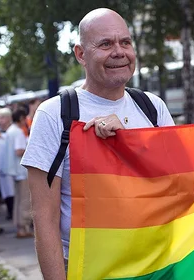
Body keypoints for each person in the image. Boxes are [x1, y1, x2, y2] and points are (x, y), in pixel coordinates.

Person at [21, 8, 175, 279]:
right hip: (86, 268)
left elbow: (181, 188)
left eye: (125, 42)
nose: (119, 52)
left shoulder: (153, 107)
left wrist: (129, 141)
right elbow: (44, 220)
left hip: (153, 265)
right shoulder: (54, 114)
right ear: (81, 54)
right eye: (105, 44)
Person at [5, 109, 32, 238]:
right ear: (21, 118)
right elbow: (19, 151)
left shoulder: (10, 130)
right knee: (24, 200)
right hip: (21, 170)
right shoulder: (18, 132)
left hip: (14, 170)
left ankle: (19, 226)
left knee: (18, 200)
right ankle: (23, 227)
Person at [0, 108, 15, 220]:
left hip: (13, 166)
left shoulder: (13, 130)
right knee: (7, 189)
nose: (0, 120)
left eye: (2, 117)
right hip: (2, 167)